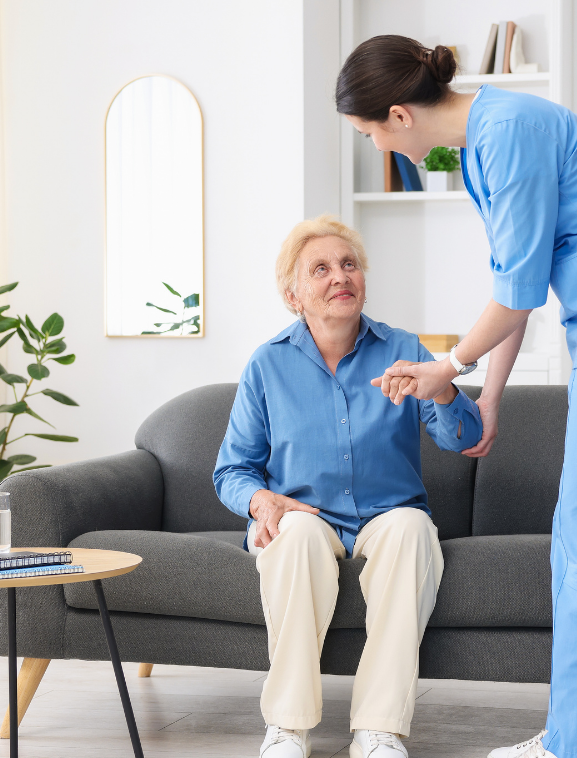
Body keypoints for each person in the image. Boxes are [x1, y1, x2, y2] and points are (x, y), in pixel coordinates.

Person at [335, 36, 577, 758]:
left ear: (396, 116)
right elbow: (519, 281)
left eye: (371, 136)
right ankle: (575, 736)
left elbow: (513, 296)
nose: (382, 149)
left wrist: (447, 366)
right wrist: (490, 394)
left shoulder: (505, 136)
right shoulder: (483, 144)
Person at [213, 215, 484, 758]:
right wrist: (260, 500)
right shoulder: (268, 365)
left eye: (349, 264)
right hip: (305, 515)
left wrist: (446, 390)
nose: (340, 276)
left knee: (411, 530)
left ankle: (379, 731)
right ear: (294, 296)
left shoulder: (403, 348)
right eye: (321, 269)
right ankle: (287, 729)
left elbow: (465, 439)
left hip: (389, 514)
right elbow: (232, 470)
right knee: (293, 538)